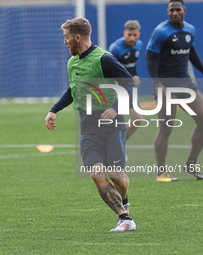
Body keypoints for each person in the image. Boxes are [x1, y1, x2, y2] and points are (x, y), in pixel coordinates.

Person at [45, 17, 136, 232]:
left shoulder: (104, 59)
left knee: (116, 177)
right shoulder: (72, 62)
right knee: (97, 175)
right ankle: (124, 218)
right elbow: (72, 90)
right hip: (87, 128)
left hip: (113, 127)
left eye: (66, 38)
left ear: (77, 37)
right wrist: (54, 110)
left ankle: (125, 200)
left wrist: (114, 108)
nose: (65, 42)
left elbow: (128, 82)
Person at [146, 0, 203, 182]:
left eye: (178, 9)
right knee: (166, 129)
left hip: (185, 84)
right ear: (167, 12)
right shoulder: (161, 31)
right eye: (171, 10)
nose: (175, 13)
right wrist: (157, 83)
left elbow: (190, 51)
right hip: (166, 86)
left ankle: (191, 163)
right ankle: (161, 172)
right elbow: (150, 58)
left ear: (184, 10)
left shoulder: (190, 29)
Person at [108, 20, 143, 140]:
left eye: (135, 35)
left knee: (138, 119)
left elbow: (132, 65)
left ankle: (121, 142)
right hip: (116, 88)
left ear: (138, 34)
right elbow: (109, 71)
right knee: (116, 120)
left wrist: (135, 75)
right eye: (129, 35)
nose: (132, 38)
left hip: (129, 87)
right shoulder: (115, 48)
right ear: (124, 34)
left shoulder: (139, 45)